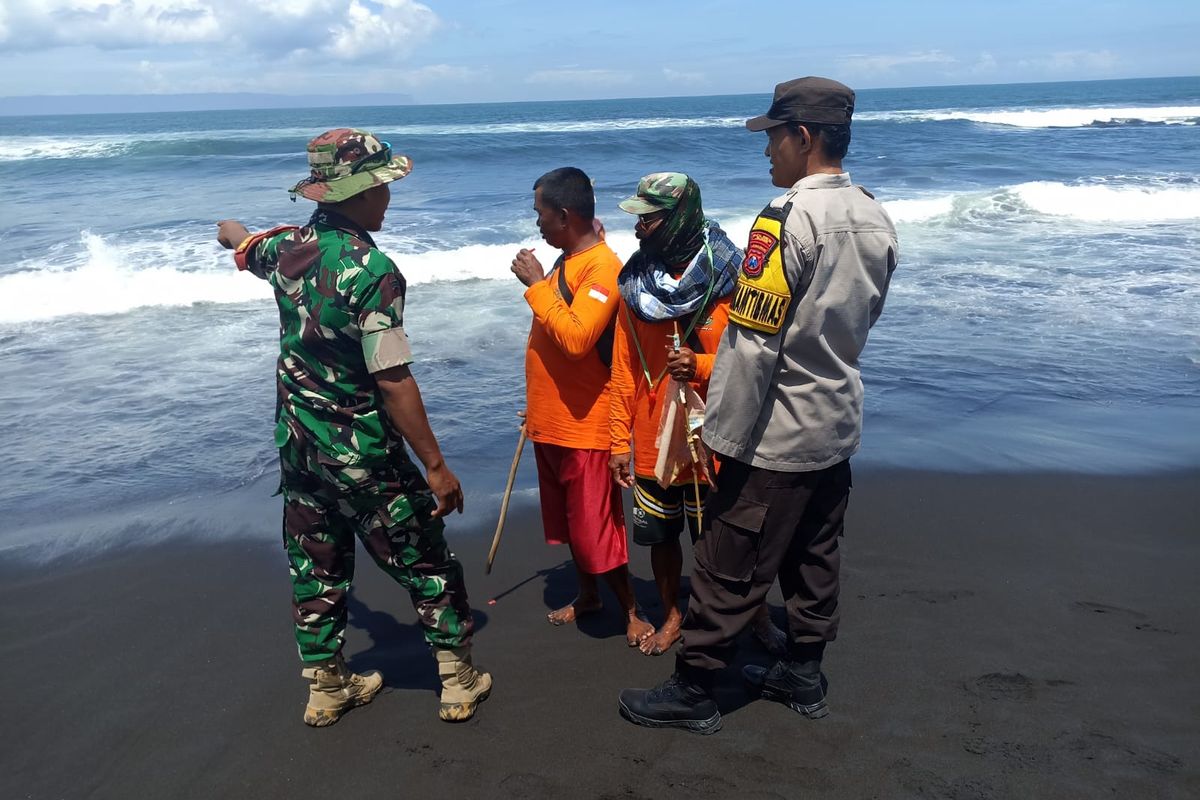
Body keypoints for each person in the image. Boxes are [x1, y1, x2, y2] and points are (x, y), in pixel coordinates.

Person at [618, 77, 899, 733]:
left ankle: (695, 690)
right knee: (814, 553)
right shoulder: (874, 214)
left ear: (803, 137)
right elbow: (863, 318)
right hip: (833, 420)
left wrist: (720, 436)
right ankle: (802, 674)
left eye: (772, 136)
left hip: (773, 430)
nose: (766, 151)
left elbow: (752, 347)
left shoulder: (784, 221)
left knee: (726, 560)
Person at [215, 128, 490, 727]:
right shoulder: (374, 271)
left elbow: (244, 242)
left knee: (316, 561)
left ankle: (326, 687)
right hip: (362, 451)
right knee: (425, 558)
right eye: (382, 187)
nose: (388, 198)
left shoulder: (286, 249)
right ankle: (457, 679)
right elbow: (392, 379)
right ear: (359, 194)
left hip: (300, 449)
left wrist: (231, 231)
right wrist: (436, 467)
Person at [607, 172, 787, 658]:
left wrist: (701, 365)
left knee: (726, 542)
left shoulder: (732, 275)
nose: (639, 228)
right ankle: (671, 614)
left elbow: (754, 355)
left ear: (680, 218)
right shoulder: (634, 284)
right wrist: (616, 440)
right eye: (638, 218)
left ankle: (755, 613)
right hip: (652, 443)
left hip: (717, 441)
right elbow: (623, 368)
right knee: (660, 539)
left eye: (649, 217)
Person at [510, 167, 653, 647]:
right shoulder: (569, 258)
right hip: (550, 420)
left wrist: (535, 285)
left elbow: (575, 339)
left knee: (597, 528)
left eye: (542, 215)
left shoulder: (602, 267)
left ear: (565, 215)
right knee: (571, 522)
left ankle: (631, 609)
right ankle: (588, 594)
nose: (538, 225)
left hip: (586, 424)